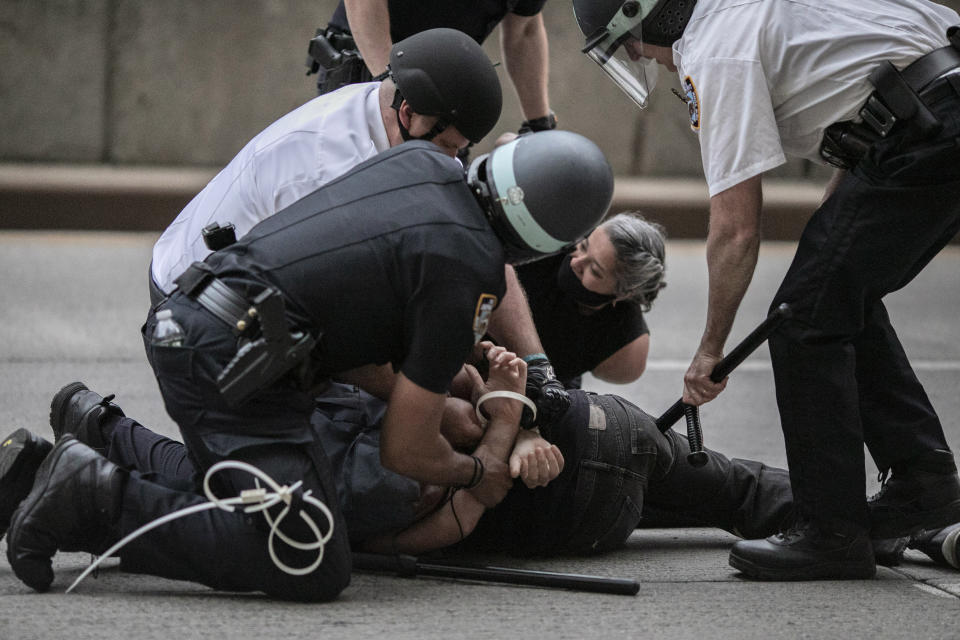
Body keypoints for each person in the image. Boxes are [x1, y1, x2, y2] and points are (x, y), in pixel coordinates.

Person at [3, 130, 615, 599]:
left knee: (265, 492)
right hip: (228, 356)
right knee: (309, 554)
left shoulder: (423, 163)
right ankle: (90, 499)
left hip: (207, 320)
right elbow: (407, 450)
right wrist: (476, 468)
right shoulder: (465, 271)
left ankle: (57, 470)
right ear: (545, 243)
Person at [573, 0, 960, 580]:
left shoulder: (713, 49)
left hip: (926, 132)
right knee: (834, 296)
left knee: (803, 321)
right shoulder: (757, 9)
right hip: (933, 115)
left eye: (627, 42)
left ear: (645, 15)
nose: (637, 55)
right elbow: (882, 89)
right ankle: (923, 483)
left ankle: (830, 532)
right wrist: (835, 226)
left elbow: (735, 229)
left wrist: (710, 350)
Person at [150, 27, 502, 299]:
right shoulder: (328, 171)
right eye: (446, 146)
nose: (452, 163)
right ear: (409, 115)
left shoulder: (379, 104)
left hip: (247, 277)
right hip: (187, 305)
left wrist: (533, 362)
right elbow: (334, 311)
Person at [306, 0, 556, 135]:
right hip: (368, 78)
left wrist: (539, 124)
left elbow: (525, 30)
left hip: (441, 99)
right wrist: (390, 82)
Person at [513, 211, 666, 388]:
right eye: (584, 246)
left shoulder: (626, 350)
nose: (575, 263)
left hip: (539, 389)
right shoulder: (546, 238)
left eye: (594, 270)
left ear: (625, 293)